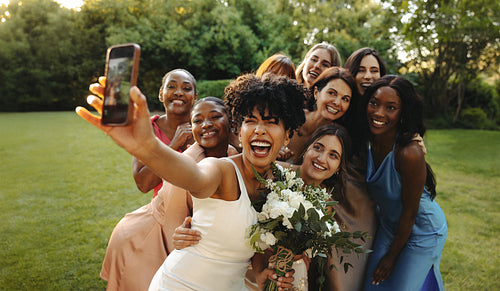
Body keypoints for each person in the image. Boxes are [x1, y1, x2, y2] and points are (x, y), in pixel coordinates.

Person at [76, 73, 306, 290]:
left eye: (271, 122)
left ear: (287, 135)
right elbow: (193, 176)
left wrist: (260, 271)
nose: (259, 130)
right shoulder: (221, 169)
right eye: (251, 121)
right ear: (239, 128)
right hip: (181, 284)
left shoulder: (284, 182)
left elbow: (256, 240)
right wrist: (148, 147)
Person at [97, 96, 236, 291]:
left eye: (215, 117)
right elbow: (174, 229)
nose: (206, 125)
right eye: (197, 121)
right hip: (145, 239)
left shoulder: (232, 153)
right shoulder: (187, 162)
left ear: (231, 122)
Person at [356, 75, 447, 290]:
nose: (379, 113)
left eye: (391, 107)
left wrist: (391, 257)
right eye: (374, 103)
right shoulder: (366, 141)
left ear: (402, 113)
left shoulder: (409, 152)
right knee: (372, 286)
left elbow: (410, 213)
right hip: (390, 227)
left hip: (423, 231)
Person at [132, 69, 196, 197]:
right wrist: (172, 147)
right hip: (164, 210)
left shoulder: (205, 127)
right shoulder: (147, 130)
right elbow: (143, 184)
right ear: (161, 94)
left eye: (187, 88)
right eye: (171, 86)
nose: (178, 92)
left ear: (195, 97)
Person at [283, 67, 357, 163]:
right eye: (331, 93)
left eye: (345, 99)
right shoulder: (289, 115)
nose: (337, 103)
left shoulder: (338, 139)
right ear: (316, 92)